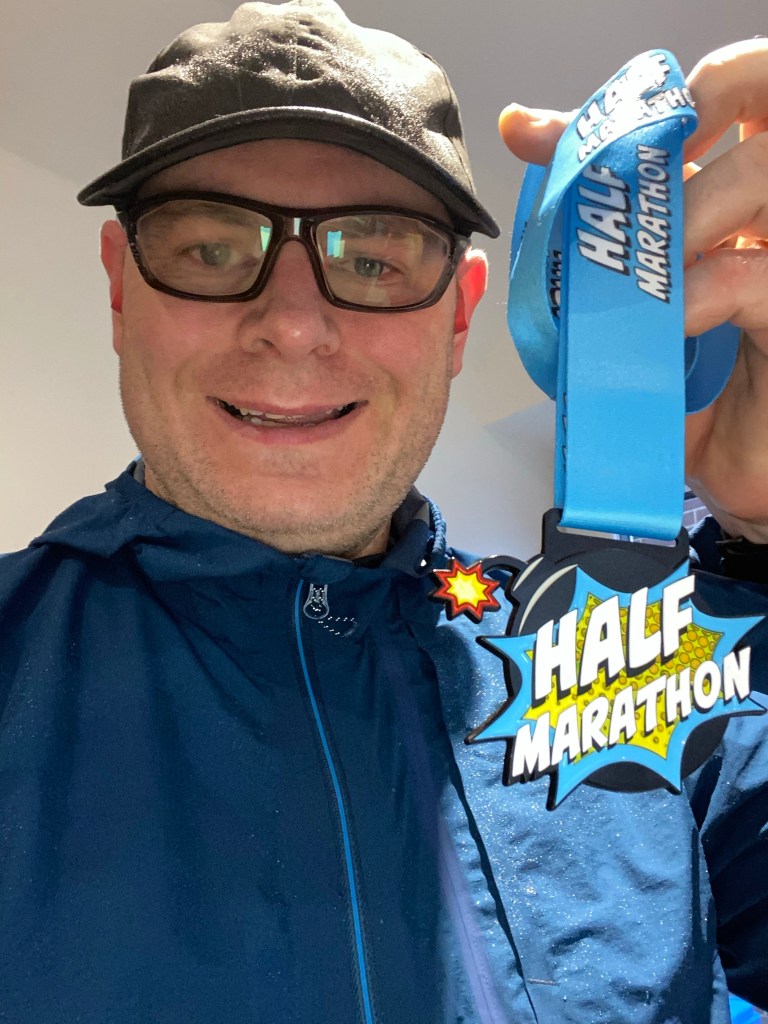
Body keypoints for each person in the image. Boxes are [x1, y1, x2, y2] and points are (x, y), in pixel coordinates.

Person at [0, 2, 766, 1021]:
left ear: (458, 318)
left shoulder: (642, 670)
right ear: (118, 287)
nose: (292, 324)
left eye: (373, 257)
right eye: (213, 247)